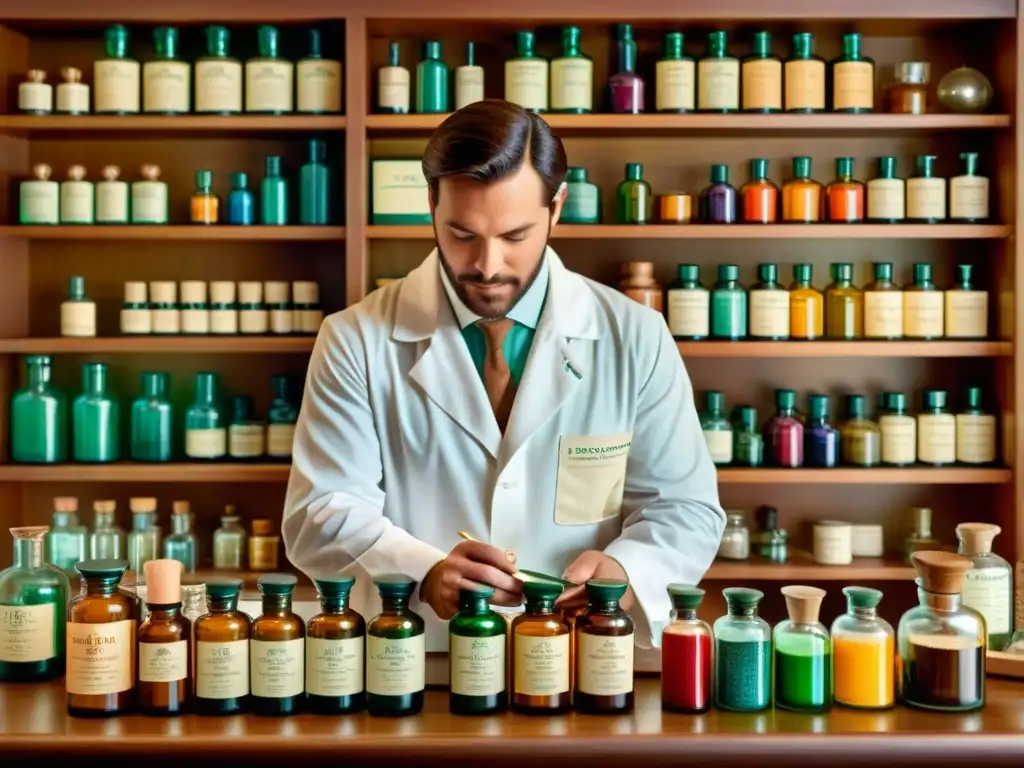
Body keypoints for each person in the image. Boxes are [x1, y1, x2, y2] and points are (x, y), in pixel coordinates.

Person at [282, 99, 724, 658]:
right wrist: (423, 571)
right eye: (462, 234)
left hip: (581, 659)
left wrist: (623, 570)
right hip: (419, 664)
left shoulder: (635, 335)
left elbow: (684, 507)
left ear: (556, 207)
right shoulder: (355, 339)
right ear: (431, 205)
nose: (487, 265)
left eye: (515, 235)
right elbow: (319, 512)